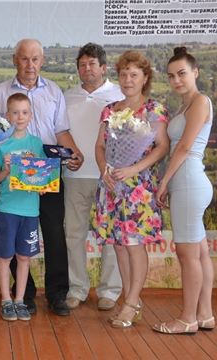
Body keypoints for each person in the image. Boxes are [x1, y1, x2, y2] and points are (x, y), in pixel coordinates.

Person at [0, 38, 84, 316]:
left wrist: (76, 154)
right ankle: (24, 296)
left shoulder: (54, 90)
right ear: (14, 60)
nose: (30, 65)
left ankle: (57, 294)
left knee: (54, 233)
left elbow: (61, 130)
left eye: (35, 59)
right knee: (18, 235)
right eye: (24, 59)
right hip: (13, 178)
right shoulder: (0, 91)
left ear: (42, 61)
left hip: (48, 172)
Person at [92, 50, 169, 328]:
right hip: (112, 185)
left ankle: (132, 302)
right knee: (120, 247)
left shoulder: (154, 109)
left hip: (138, 188)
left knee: (134, 246)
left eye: (134, 74)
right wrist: (104, 169)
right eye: (123, 74)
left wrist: (134, 169)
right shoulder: (109, 110)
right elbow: (100, 147)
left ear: (145, 77)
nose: (127, 79)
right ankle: (129, 299)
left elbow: (163, 146)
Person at [153, 47, 214, 335]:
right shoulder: (183, 106)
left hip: (188, 182)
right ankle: (204, 314)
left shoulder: (200, 101)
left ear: (195, 72)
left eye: (182, 74)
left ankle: (188, 318)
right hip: (187, 182)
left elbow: (185, 147)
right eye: (171, 76)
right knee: (199, 252)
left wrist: (164, 182)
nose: (176, 80)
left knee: (187, 255)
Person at [63, 43, 124, 311]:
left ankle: (109, 291)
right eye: (82, 64)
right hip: (73, 176)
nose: (86, 69)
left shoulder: (120, 95)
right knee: (73, 235)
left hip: (108, 177)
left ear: (103, 67)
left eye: (92, 64)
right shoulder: (66, 96)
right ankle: (77, 288)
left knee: (109, 237)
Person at [0, 93, 46, 321]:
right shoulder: (2, 144)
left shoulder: (36, 144)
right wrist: (5, 170)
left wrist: (43, 185)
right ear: (7, 116)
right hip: (7, 209)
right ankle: (5, 300)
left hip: (30, 211)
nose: (20, 116)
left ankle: (20, 300)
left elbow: (43, 176)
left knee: (24, 257)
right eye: (15, 112)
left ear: (30, 116)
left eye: (24, 112)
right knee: (5, 257)